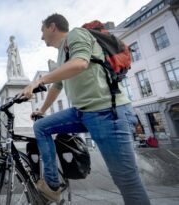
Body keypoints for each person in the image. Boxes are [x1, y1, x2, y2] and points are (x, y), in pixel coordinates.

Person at [21, 14, 150, 204]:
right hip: (83, 112)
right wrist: (41, 110)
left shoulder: (76, 34)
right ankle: (52, 186)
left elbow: (80, 63)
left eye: (42, 31)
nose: (41, 37)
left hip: (108, 112)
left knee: (126, 181)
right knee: (41, 126)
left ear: (52, 27)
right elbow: (57, 86)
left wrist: (38, 80)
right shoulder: (61, 54)